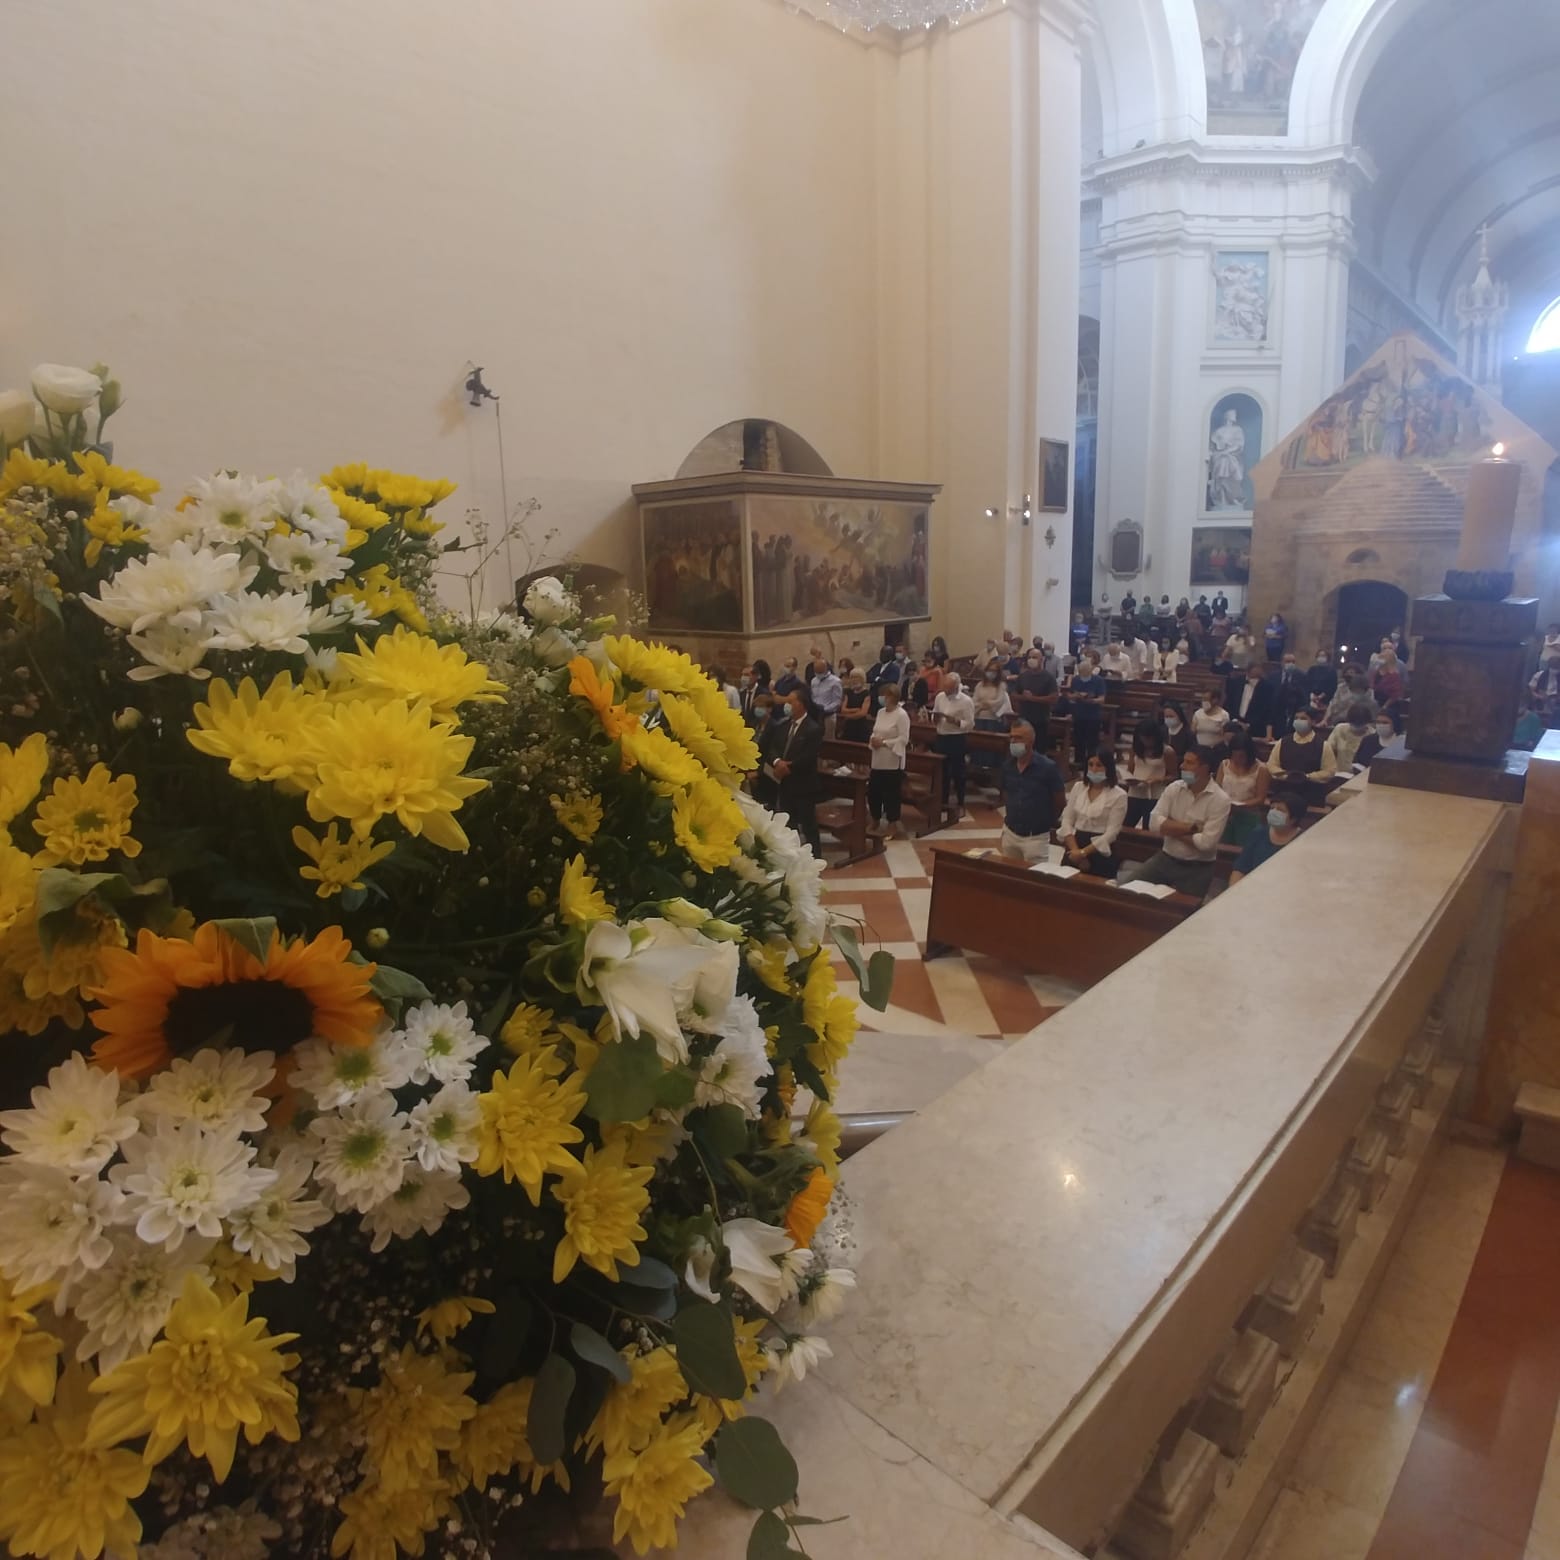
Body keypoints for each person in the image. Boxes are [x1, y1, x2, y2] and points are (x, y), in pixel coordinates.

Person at [1117, 745, 1231, 899]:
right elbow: (1153, 823)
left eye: (1189, 762)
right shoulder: (1174, 788)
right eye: (1183, 761)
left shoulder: (1220, 800)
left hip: (1197, 867)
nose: (1182, 766)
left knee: (1186, 909)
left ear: (1204, 768)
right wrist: (1191, 828)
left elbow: (1206, 843)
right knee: (1126, 890)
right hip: (1166, 858)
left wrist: (1170, 827)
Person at [997, 720, 1067, 863]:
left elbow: (1060, 801)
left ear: (1030, 741)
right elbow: (1005, 794)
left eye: (1018, 738)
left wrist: (1046, 821)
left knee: (1035, 875)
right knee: (1008, 872)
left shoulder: (1048, 768)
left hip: (1036, 837)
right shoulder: (1007, 766)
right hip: (1010, 833)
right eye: (1011, 737)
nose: (1013, 741)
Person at [1059, 747, 1129, 878]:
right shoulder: (1078, 787)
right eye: (1090, 765)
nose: (1094, 769)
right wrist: (1076, 851)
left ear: (1108, 768)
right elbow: (1067, 820)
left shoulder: (1119, 795)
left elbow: (1112, 833)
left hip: (1100, 849)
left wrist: (1084, 853)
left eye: (1099, 765)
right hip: (1075, 846)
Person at [768, 690, 823, 854]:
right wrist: (777, 762)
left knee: (808, 824)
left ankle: (815, 857)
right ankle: (792, 855)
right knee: (788, 823)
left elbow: (809, 756)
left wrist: (788, 767)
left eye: (791, 701)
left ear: (801, 704)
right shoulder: (783, 725)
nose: (787, 705)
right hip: (785, 783)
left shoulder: (813, 728)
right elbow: (772, 748)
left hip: (803, 783)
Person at [1229, 791, 1304, 885]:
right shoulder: (1259, 833)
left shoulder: (1302, 840)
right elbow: (1240, 869)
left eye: (1280, 810)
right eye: (1272, 808)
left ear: (1294, 819)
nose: (1274, 812)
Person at [867, 681, 912, 836]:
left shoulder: (901, 715)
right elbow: (875, 731)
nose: (881, 698)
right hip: (877, 759)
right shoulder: (880, 712)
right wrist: (873, 739)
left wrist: (884, 743)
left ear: (893, 697)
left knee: (891, 794)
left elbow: (904, 739)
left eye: (884, 695)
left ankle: (892, 823)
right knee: (874, 792)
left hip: (892, 760)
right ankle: (875, 819)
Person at [932, 671, 975, 815]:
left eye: (949, 688)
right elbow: (936, 713)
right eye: (945, 687)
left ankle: (960, 802)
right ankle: (942, 801)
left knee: (958, 772)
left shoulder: (966, 701)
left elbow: (970, 724)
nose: (946, 691)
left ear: (956, 687)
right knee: (942, 771)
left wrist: (956, 721)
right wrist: (935, 718)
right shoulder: (940, 697)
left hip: (957, 739)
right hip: (941, 737)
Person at [1216, 731, 1270, 846]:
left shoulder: (1261, 769)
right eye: (1234, 755)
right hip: (1225, 814)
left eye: (1241, 756)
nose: (1237, 759)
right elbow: (1217, 790)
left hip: (1249, 815)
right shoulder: (1224, 764)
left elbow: (1260, 798)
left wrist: (1240, 805)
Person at [1123, 718, 1170, 828]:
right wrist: (1129, 780)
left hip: (1154, 794)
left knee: (1148, 826)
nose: (1146, 742)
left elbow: (1173, 775)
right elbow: (1130, 770)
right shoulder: (1135, 749)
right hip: (1135, 792)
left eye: (1149, 738)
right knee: (1126, 825)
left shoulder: (1167, 751)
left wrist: (1158, 780)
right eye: (1143, 738)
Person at [1268, 711, 1337, 783]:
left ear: (1313, 722)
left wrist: (1308, 776)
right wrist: (1286, 776)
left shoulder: (1323, 745)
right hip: (1284, 785)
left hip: (1312, 786)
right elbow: (1272, 765)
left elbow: (1329, 771)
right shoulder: (1282, 742)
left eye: (1303, 718)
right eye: (1296, 718)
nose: (1299, 721)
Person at [1067, 655, 1107, 766]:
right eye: (1081, 674)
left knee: (1092, 742)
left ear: (1090, 671)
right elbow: (1070, 695)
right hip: (1079, 714)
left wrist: (1092, 700)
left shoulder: (1098, 681)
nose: (1083, 676)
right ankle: (1079, 762)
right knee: (1078, 740)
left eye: (1085, 673)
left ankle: (1091, 763)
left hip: (1093, 716)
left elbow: (1102, 699)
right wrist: (1075, 696)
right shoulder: (1076, 680)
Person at [1229, 661, 1276, 738]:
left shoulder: (1267, 687)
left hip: (1255, 729)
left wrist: (1248, 725)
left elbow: (1267, 710)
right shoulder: (1237, 682)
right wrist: (1236, 721)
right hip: (1234, 725)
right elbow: (1229, 703)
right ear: (1248, 671)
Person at [1327, 703, 1374, 770]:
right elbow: (1328, 750)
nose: (1357, 726)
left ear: (1367, 722)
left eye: (1360, 724)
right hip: (1340, 772)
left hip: (1360, 774)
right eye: (1354, 723)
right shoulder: (1340, 729)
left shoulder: (1372, 735)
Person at [1192, 687, 1231, 754]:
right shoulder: (1198, 713)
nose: (1203, 701)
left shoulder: (1224, 715)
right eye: (1202, 699)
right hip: (1198, 749)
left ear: (1215, 700)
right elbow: (1192, 731)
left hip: (1215, 751)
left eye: (1206, 699)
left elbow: (1225, 735)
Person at [809, 657, 843, 732]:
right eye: (816, 671)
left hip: (828, 716)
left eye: (820, 671)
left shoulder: (835, 681)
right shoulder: (814, 680)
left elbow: (837, 701)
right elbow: (812, 696)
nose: (818, 674)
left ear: (826, 669)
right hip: (815, 715)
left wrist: (823, 709)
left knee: (827, 737)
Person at [839, 669, 873, 743]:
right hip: (848, 726)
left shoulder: (866, 694)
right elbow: (843, 710)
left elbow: (863, 713)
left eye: (856, 677)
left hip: (860, 726)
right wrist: (856, 710)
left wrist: (848, 716)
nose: (854, 680)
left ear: (862, 679)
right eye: (852, 677)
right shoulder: (848, 692)